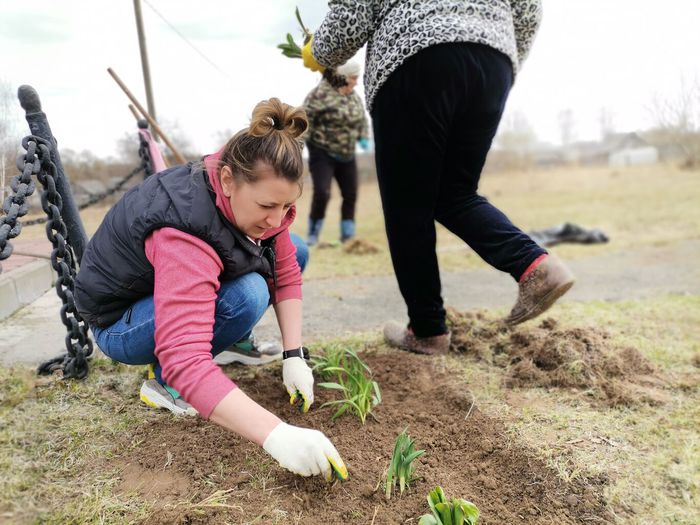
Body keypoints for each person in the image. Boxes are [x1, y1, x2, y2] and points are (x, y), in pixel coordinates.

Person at [74, 99, 346, 481]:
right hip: (121, 322)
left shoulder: (252, 189)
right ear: (230, 180)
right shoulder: (183, 230)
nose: (275, 220)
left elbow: (284, 269)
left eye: (286, 206)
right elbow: (185, 358)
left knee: (295, 248)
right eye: (267, 205)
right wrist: (277, 435)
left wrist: (294, 355)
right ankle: (164, 386)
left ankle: (230, 340)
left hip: (162, 290)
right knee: (248, 294)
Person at [302, 0, 575, 354]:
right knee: (454, 194)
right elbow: (527, 12)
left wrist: (319, 51)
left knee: (407, 208)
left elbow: (352, 16)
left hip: (416, 56)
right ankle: (536, 267)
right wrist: (500, 55)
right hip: (493, 61)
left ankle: (428, 330)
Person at [303, 60, 370, 245]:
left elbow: (362, 120)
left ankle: (348, 235)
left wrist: (364, 137)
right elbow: (304, 122)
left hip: (347, 154)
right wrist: (297, 146)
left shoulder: (353, 97)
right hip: (322, 152)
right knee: (322, 193)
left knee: (351, 194)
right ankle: (313, 234)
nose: (356, 82)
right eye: (353, 78)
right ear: (342, 77)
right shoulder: (319, 94)